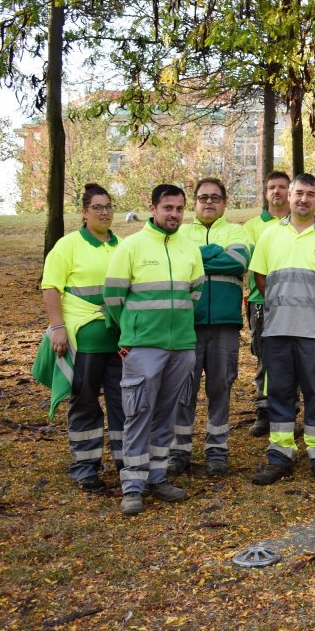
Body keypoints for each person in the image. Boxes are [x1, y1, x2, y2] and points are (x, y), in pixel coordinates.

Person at [103, 184, 204, 515]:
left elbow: (195, 292)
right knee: (137, 414)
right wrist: (130, 335)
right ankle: (132, 485)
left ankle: (158, 477)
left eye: (178, 208)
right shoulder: (130, 247)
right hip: (143, 347)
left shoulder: (189, 248)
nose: (173, 214)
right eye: (167, 208)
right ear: (153, 208)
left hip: (182, 347)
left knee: (167, 414)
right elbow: (114, 298)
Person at [249, 174, 315, 487]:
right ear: (288, 197)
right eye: (298, 193)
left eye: (309, 194)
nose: (303, 199)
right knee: (279, 393)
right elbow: (260, 278)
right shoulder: (269, 235)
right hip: (278, 331)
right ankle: (281, 456)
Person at [38, 183, 124, 492]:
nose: (104, 212)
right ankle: (86, 467)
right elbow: (51, 287)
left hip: (119, 342)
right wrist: (57, 327)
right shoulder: (68, 245)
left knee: (122, 404)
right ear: (84, 213)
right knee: (85, 402)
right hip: (84, 342)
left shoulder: (121, 245)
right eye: (97, 207)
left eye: (108, 206)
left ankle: (126, 463)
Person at [172, 178, 251, 478]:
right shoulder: (180, 231)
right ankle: (179, 451)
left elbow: (237, 261)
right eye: (203, 197)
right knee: (183, 389)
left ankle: (217, 450)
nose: (209, 202)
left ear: (224, 203)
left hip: (224, 326)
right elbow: (177, 263)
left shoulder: (237, 231)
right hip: (185, 325)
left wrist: (195, 257)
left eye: (215, 198)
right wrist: (212, 254)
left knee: (221, 387)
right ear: (194, 202)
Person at [244, 171, 291, 436]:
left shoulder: (298, 223)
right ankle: (263, 411)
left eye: (282, 187)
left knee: (290, 355)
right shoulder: (252, 226)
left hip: (292, 301)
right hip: (260, 299)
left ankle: (288, 409)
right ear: (265, 193)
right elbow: (256, 259)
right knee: (264, 355)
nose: (277, 192)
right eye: (272, 187)